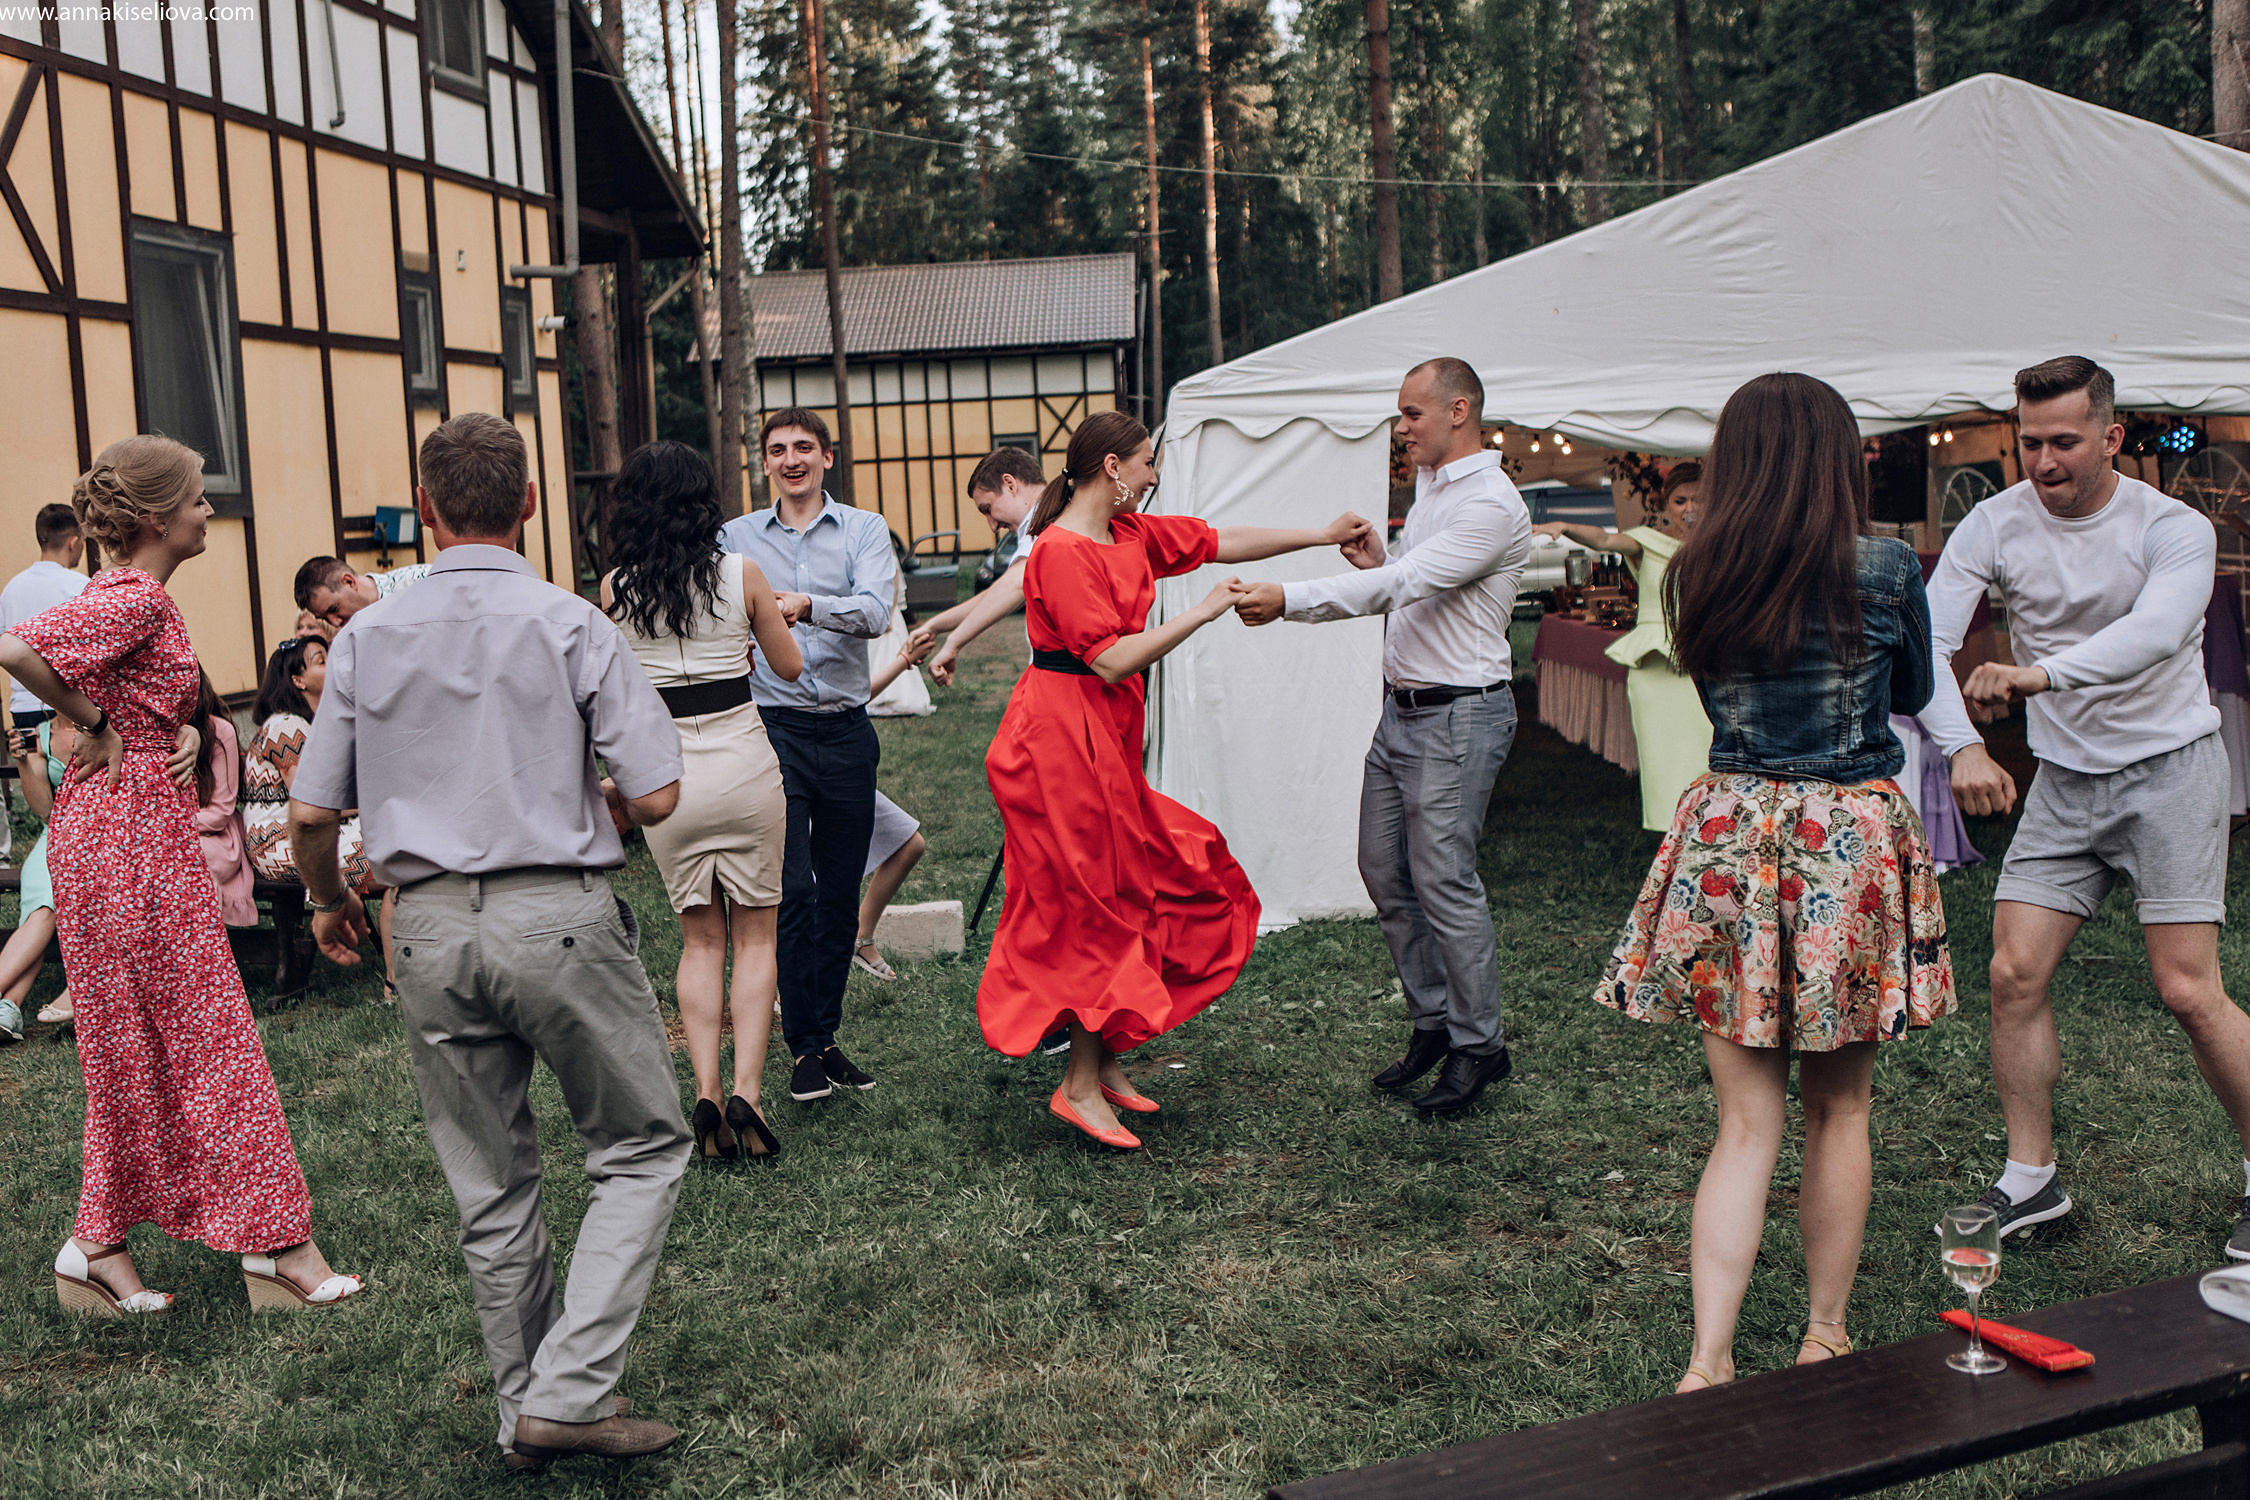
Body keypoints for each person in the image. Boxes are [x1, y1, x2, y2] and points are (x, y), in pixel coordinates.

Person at [288, 412, 687, 1470]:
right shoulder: (570, 622)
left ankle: (526, 1417)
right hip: (555, 911)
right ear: (529, 504)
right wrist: (599, 794)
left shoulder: (363, 638)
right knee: (641, 1144)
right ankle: (567, 1393)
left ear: (426, 511)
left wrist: (329, 902)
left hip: (422, 927)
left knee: (491, 1183)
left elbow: (315, 814)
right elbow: (655, 789)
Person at [1593, 372, 1954, 1393]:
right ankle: (1823, 1332)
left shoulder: (1698, 571)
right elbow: (1916, 690)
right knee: (1841, 1110)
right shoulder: (1884, 569)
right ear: (1842, 461)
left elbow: (1713, 691)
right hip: (1846, 836)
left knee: (1743, 1123)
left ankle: (1709, 1356)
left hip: (1735, 831)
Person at [0, 434, 361, 1318]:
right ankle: (279, 1249)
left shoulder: (132, 596)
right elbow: (15, 648)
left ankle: (96, 1248)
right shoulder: (126, 593)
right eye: (200, 498)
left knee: (137, 1044)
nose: (210, 510)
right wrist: (98, 720)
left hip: (123, 837)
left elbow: (152, 697)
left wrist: (183, 731)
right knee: (210, 1038)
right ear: (160, 517)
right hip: (120, 845)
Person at [1923, 355, 2250, 1258]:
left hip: (2170, 769)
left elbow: (2159, 633)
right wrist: (1964, 748)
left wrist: (2040, 674)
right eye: (2028, 442)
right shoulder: (1992, 522)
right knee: (2011, 975)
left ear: (2111, 437)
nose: (2043, 460)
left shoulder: (2170, 525)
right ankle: (2032, 1182)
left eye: (2064, 440)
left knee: (2188, 990)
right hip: (2066, 783)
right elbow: (1929, 642)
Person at [980, 409, 1372, 1149]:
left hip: (1107, 739)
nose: (1155, 475)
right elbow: (1110, 659)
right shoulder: (1060, 552)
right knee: (1104, 907)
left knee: (1148, 884)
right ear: (1113, 469)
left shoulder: (1131, 534)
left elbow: (1220, 540)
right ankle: (1077, 1085)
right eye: (1148, 463)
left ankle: (1108, 1057)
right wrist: (1205, 611)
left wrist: (1322, 535)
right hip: (1059, 746)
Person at [1236, 357, 1532, 1114]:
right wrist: (1383, 560)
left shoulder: (1492, 504)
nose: (1400, 429)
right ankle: (1433, 1022)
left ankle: (1479, 1047)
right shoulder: (1433, 487)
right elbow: (1413, 577)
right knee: (1383, 871)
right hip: (1403, 713)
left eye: (1412, 415)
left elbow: (1407, 587)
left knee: (1444, 882)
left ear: (1459, 410)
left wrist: (1291, 598)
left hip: (1459, 715)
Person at [603, 439, 803, 1165]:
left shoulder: (616, 588)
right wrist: (764, 623)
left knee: (699, 940)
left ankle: (709, 1087)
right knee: (755, 937)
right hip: (745, 767)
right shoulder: (741, 573)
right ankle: (750, 1087)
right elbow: (789, 664)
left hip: (669, 780)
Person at [717, 408, 897, 1104]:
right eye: (776, 450)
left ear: (827, 456)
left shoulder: (864, 529)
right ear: (764, 463)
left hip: (848, 729)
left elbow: (875, 611)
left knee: (840, 892)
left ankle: (824, 1038)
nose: (790, 459)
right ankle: (800, 1052)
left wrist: (804, 606)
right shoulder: (734, 538)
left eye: (803, 448)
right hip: (774, 732)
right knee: (793, 891)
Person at [1534, 461, 1713, 832]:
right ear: (1665, 504)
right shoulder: (1647, 541)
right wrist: (1565, 527)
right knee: (1665, 759)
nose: (1690, 509)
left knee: (1710, 754)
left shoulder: (1723, 546)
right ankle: (1671, 832)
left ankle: (1712, 827)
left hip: (1706, 661)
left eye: (1699, 499)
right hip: (1655, 670)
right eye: (1680, 501)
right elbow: (1603, 540)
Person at [243, 637, 377, 896]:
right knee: (393, 856)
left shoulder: (309, 724)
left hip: (311, 830)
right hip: (278, 842)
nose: (334, 664)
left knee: (398, 838)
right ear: (298, 680)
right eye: (322, 661)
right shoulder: (286, 726)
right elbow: (311, 803)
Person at [907, 446, 1049, 685]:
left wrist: (954, 643)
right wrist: (935, 625)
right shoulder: (1044, 518)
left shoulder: (1046, 520)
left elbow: (1014, 585)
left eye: (988, 509)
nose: (992, 526)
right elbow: (999, 592)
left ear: (1010, 484)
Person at [852, 633, 938, 981]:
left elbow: (853, 697)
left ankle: (859, 936)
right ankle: (792, 981)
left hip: (841, 756)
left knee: (908, 842)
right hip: (798, 760)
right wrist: (903, 660)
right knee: (808, 882)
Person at [0, 715, 72, 1038]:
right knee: (45, 907)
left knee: (45, 910)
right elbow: (45, 810)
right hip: (53, 837)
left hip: (99, 834)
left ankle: (9, 1009)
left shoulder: (103, 720)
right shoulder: (43, 735)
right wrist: (22, 764)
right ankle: (7, 1008)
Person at [0, 503, 88, 747]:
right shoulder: (79, 586)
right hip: (70, 709)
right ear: (73, 542)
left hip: (23, 710)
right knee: (72, 782)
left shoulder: (11, 590)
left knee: (33, 781)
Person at [190, 669, 257, 927]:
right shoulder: (153, 734)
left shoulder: (220, 732)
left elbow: (219, 814)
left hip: (216, 836)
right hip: (171, 833)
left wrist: (168, 823)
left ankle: (203, 946)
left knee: (188, 859)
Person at [293, 555, 432, 631]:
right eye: (324, 619)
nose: (335, 622)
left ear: (349, 582)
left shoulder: (422, 581)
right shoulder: (348, 640)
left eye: (334, 609)